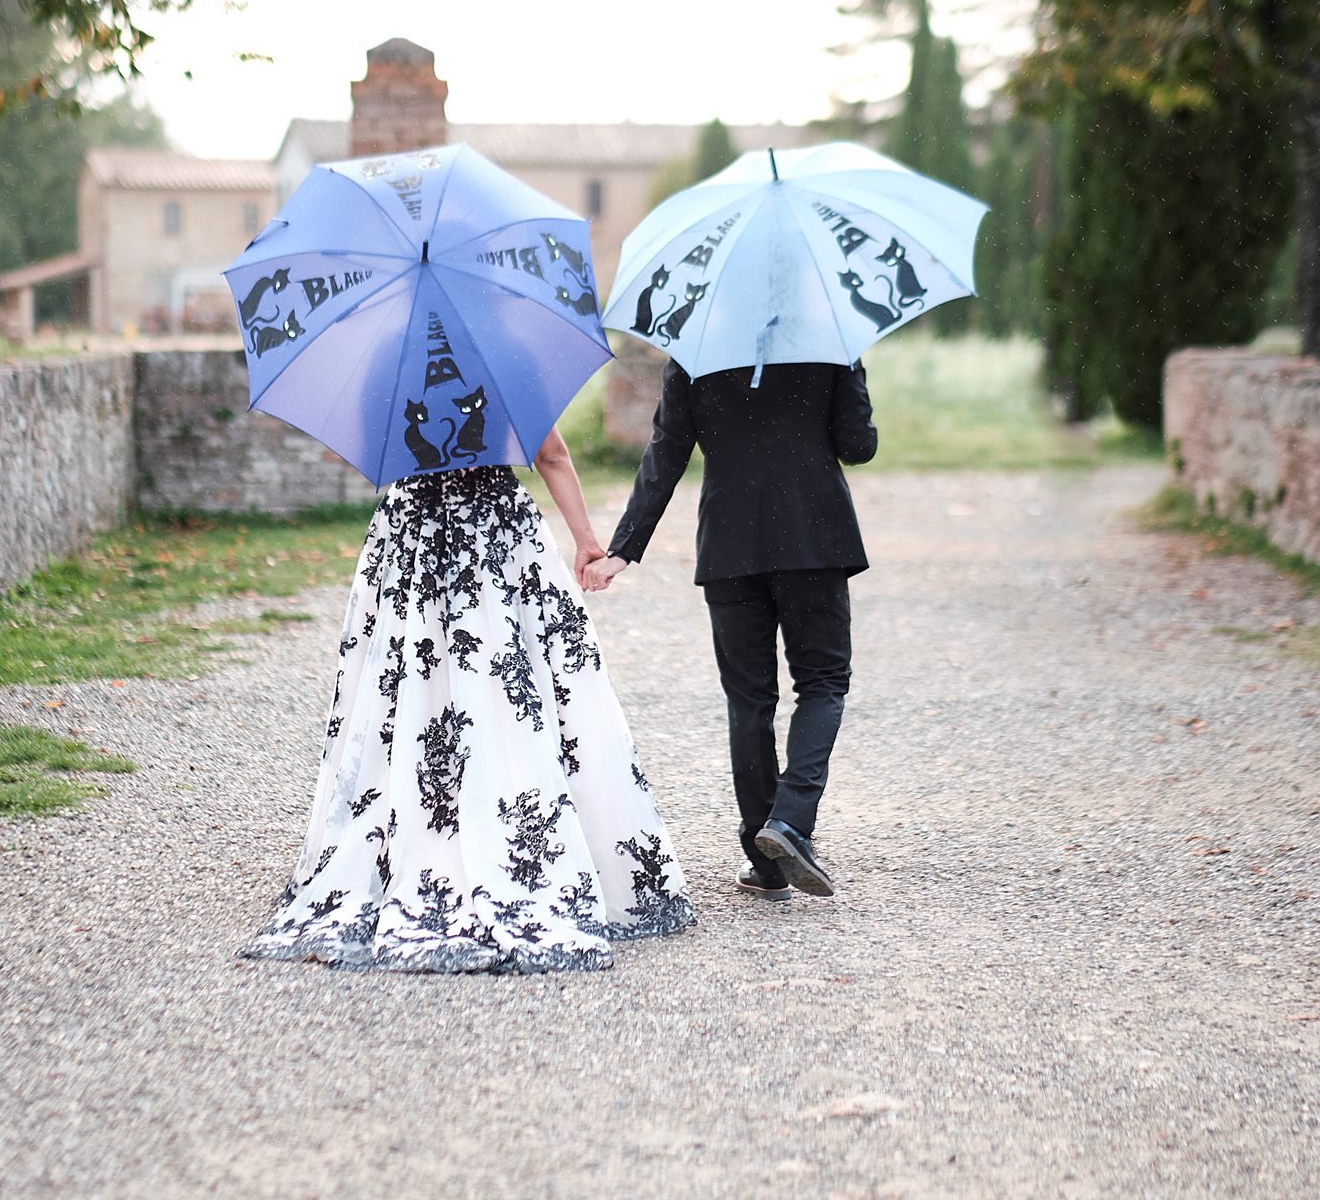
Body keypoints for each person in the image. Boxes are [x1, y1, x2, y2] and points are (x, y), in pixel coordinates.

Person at [241, 428, 694, 973]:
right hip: (494, 535)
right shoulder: (502, 355)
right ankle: (530, 848)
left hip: (413, 536)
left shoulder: (388, 361)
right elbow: (550, 453)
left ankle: (413, 849)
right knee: (514, 686)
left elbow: (356, 450)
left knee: (413, 690)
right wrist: (586, 541)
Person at [583, 360, 876, 900]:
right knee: (823, 682)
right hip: (815, 537)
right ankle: (788, 822)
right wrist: (852, 380)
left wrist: (624, 547)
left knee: (749, 700)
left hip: (730, 543)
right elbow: (857, 444)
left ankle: (764, 862)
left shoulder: (696, 351)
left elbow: (667, 451)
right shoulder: (830, 345)